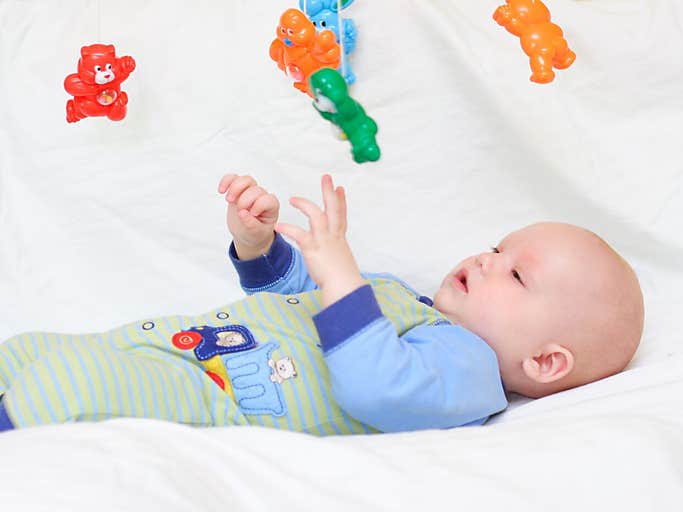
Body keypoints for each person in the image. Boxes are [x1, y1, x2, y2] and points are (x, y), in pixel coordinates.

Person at [0, 173, 644, 435]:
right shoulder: (399, 297)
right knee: (30, 352)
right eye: (496, 247)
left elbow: (376, 388)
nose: (485, 261)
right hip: (180, 343)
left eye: (516, 276)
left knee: (70, 384)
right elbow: (296, 297)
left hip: (211, 397)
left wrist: (340, 272)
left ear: (547, 362)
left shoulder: (468, 370)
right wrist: (258, 248)